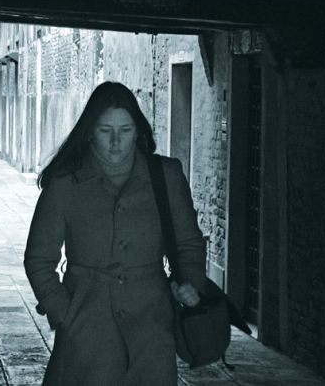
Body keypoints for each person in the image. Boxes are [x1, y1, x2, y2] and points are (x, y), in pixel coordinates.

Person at [24, 81, 206, 385]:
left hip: (152, 330)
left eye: (125, 130)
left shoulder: (167, 176)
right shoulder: (65, 184)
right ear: (90, 131)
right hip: (85, 333)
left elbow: (188, 243)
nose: (116, 141)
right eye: (106, 130)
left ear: (138, 131)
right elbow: (38, 260)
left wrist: (191, 283)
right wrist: (65, 316)